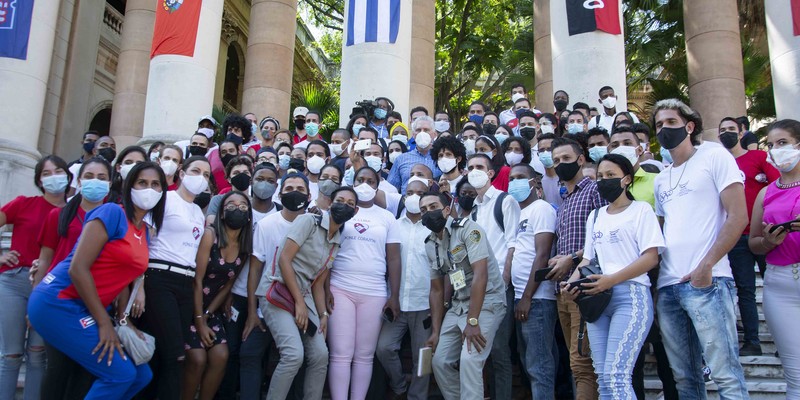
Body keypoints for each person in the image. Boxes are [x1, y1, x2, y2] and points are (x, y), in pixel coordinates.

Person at [28, 161, 166, 400]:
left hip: (89, 309)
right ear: (128, 186)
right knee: (120, 374)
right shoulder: (112, 212)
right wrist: (103, 323)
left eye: (156, 185)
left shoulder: (144, 231)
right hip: (58, 302)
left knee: (141, 375)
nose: (149, 189)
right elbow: (77, 268)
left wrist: (124, 321)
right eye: (142, 182)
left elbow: (122, 278)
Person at [651, 99, 750, 398]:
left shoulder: (714, 156)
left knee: (726, 376)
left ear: (689, 126)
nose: (664, 129)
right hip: (668, 288)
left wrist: (706, 266)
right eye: (659, 125)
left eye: (671, 122)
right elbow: (663, 230)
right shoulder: (661, 177)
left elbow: (738, 216)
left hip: (708, 281)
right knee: (686, 380)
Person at [563, 154, 664, 398]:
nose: (604, 180)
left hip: (631, 296)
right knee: (604, 378)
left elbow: (651, 257)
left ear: (626, 179)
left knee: (617, 376)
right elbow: (587, 259)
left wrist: (612, 279)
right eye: (600, 176)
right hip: (597, 299)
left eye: (611, 175)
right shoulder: (595, 216)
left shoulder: (641, 211)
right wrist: (571, 282)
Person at [265, 187, 358, 400]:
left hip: (305, 296)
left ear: (355, 211)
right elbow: (284, 259)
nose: (344, 205)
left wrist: (323, 314)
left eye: (350, 203)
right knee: (293, 355)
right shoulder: (308, 221)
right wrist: (299, 302)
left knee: (320, 354)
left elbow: (318, 282)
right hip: (278, 292)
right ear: (330, 202)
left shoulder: (336, 241)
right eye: (340, 200)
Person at [33, 157, 112, 398]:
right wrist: (33, 302)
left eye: (101, 178)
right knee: (58, 367)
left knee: (86, 370)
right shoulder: (58, 215)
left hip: (95, 300)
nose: (94, 183)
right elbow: (45, 258)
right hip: (58, 301)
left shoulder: (115, 218)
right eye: (89, 177)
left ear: (110, 183)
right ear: (78, 181)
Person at [420, 191, 505, 400]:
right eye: (423, 210)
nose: (428, 212)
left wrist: (473, 320)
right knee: (439, 362)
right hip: (458, 305)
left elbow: (480, 275)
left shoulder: (468, 229)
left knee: (470, 361)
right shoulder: (430, 243)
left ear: (447, 210)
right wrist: (435, 331)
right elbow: (437, 290)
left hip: (486, 303)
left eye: (433, 207)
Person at [326, 167, 401, 400]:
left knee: (365, 355)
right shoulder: (339, 212)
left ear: (378, 186)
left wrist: (394, 296)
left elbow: (394, 258)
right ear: (353, 181)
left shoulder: (387, 217)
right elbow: (326, 249)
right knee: (340, 353)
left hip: (375, 291)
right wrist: (326, 286)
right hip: (340, 287)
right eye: (360, 179)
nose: (365, 184)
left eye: (370, 181)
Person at [140, 156, 211, 399]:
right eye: (195, 170)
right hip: (159, 277)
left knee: (162, 353)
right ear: (181, 172)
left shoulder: (197, 212)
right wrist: (139, 284)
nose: (200, 177)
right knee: (175, 355)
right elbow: (145, 241)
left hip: (185, 283)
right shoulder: (165, 199)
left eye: (206, 174)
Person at [0, 155, 70, 400]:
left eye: (58, 171)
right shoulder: (23, 204)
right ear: (39, 180)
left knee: (39, 353)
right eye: (47, 173)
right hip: (15, 281)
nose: (54, 177)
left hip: (50, 288)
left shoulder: (73, 212)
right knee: (10, 355)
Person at [547, 137, 606, 399]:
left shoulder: (595, 190)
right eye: (556, 161)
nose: (560, 165)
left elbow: (605, 236)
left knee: (583, 363)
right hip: (563, 290)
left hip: (586, 286)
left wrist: (571, 258)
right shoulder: (565, 202)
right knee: (576, 363)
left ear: (581, 160)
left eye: (566, 159)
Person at [719, 116, 780, 356]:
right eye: (722, 130)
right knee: (745, 291)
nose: (727, 133)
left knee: (774, 287)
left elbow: (776, 185)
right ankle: (752, 342)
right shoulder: (719, 163)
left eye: (731, 129)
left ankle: (783, 339)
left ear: (742, 132)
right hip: (735, 238)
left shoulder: (758, 158)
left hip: (765, 234)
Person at [247, 172, 311, 399]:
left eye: (300, 189)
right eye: (289, 188)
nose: (294, 193)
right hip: (272, 297)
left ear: (309, 195)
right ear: (280, 193)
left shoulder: (315, 225)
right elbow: (255, 268)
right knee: (254, 353)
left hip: (305, 301)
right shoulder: (267, 225)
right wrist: (252, 311)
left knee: (311, 356)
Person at [748, 119, 800, 398]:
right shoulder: (765, 193)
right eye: (771, 144)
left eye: (783, 143)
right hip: (779, 283)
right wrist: (768, 242)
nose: (776, 149)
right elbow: (753, 243)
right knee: (796, 376)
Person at [183, 191, 252, 400]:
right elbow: (196, 280)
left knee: (222, 355)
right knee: (197, 358)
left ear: (249, 215)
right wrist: (199, 320)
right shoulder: (210, 235)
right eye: (231, 205)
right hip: (189, 305)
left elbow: (228, 284)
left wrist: (208, 314)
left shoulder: (245, 248)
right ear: (221, 213)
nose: (237, 209)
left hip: (209, 309)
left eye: (242, 206)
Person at [466, 153, 521, 398]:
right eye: (470, 167)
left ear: (490, 173)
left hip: (499, 286)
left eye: (480, 167)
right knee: (479, 349)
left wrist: (504, 282)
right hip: (478, 286)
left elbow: (513, 244)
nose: (474, 171)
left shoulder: (504, 201)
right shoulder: (474, 211)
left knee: (499, 349)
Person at [376, 178, 432, 400]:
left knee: (424, 357)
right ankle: (399, 387)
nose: (414, 196)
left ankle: (418, 396)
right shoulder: (393, 224)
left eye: (420, 192)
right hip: (396, 301)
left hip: (425, 303)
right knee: (384, 348)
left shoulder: (434, 226)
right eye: (410, 192)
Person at [507, 164, 558, 399]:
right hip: (523, 296)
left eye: (520, 177)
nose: (515, 182)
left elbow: (542, 254)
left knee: (539, 366)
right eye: (512, 178)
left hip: (537, 299)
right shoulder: (522, 213)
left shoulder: (542, 209)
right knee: (531, 361)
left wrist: (527, 297)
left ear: (534, 183)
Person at [608, 125, 658, 208]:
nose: (621, 148)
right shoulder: (604, 185)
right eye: (615, 145)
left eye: (627, 143)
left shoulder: (656, 181)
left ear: (640, 150)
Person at [387, 116, 441, 193]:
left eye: (426, 130)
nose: (422, 133)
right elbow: (391, 189)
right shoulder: (401, 159)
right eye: (418, 130)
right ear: (413, 134)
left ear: (434, 134)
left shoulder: (441, 158)